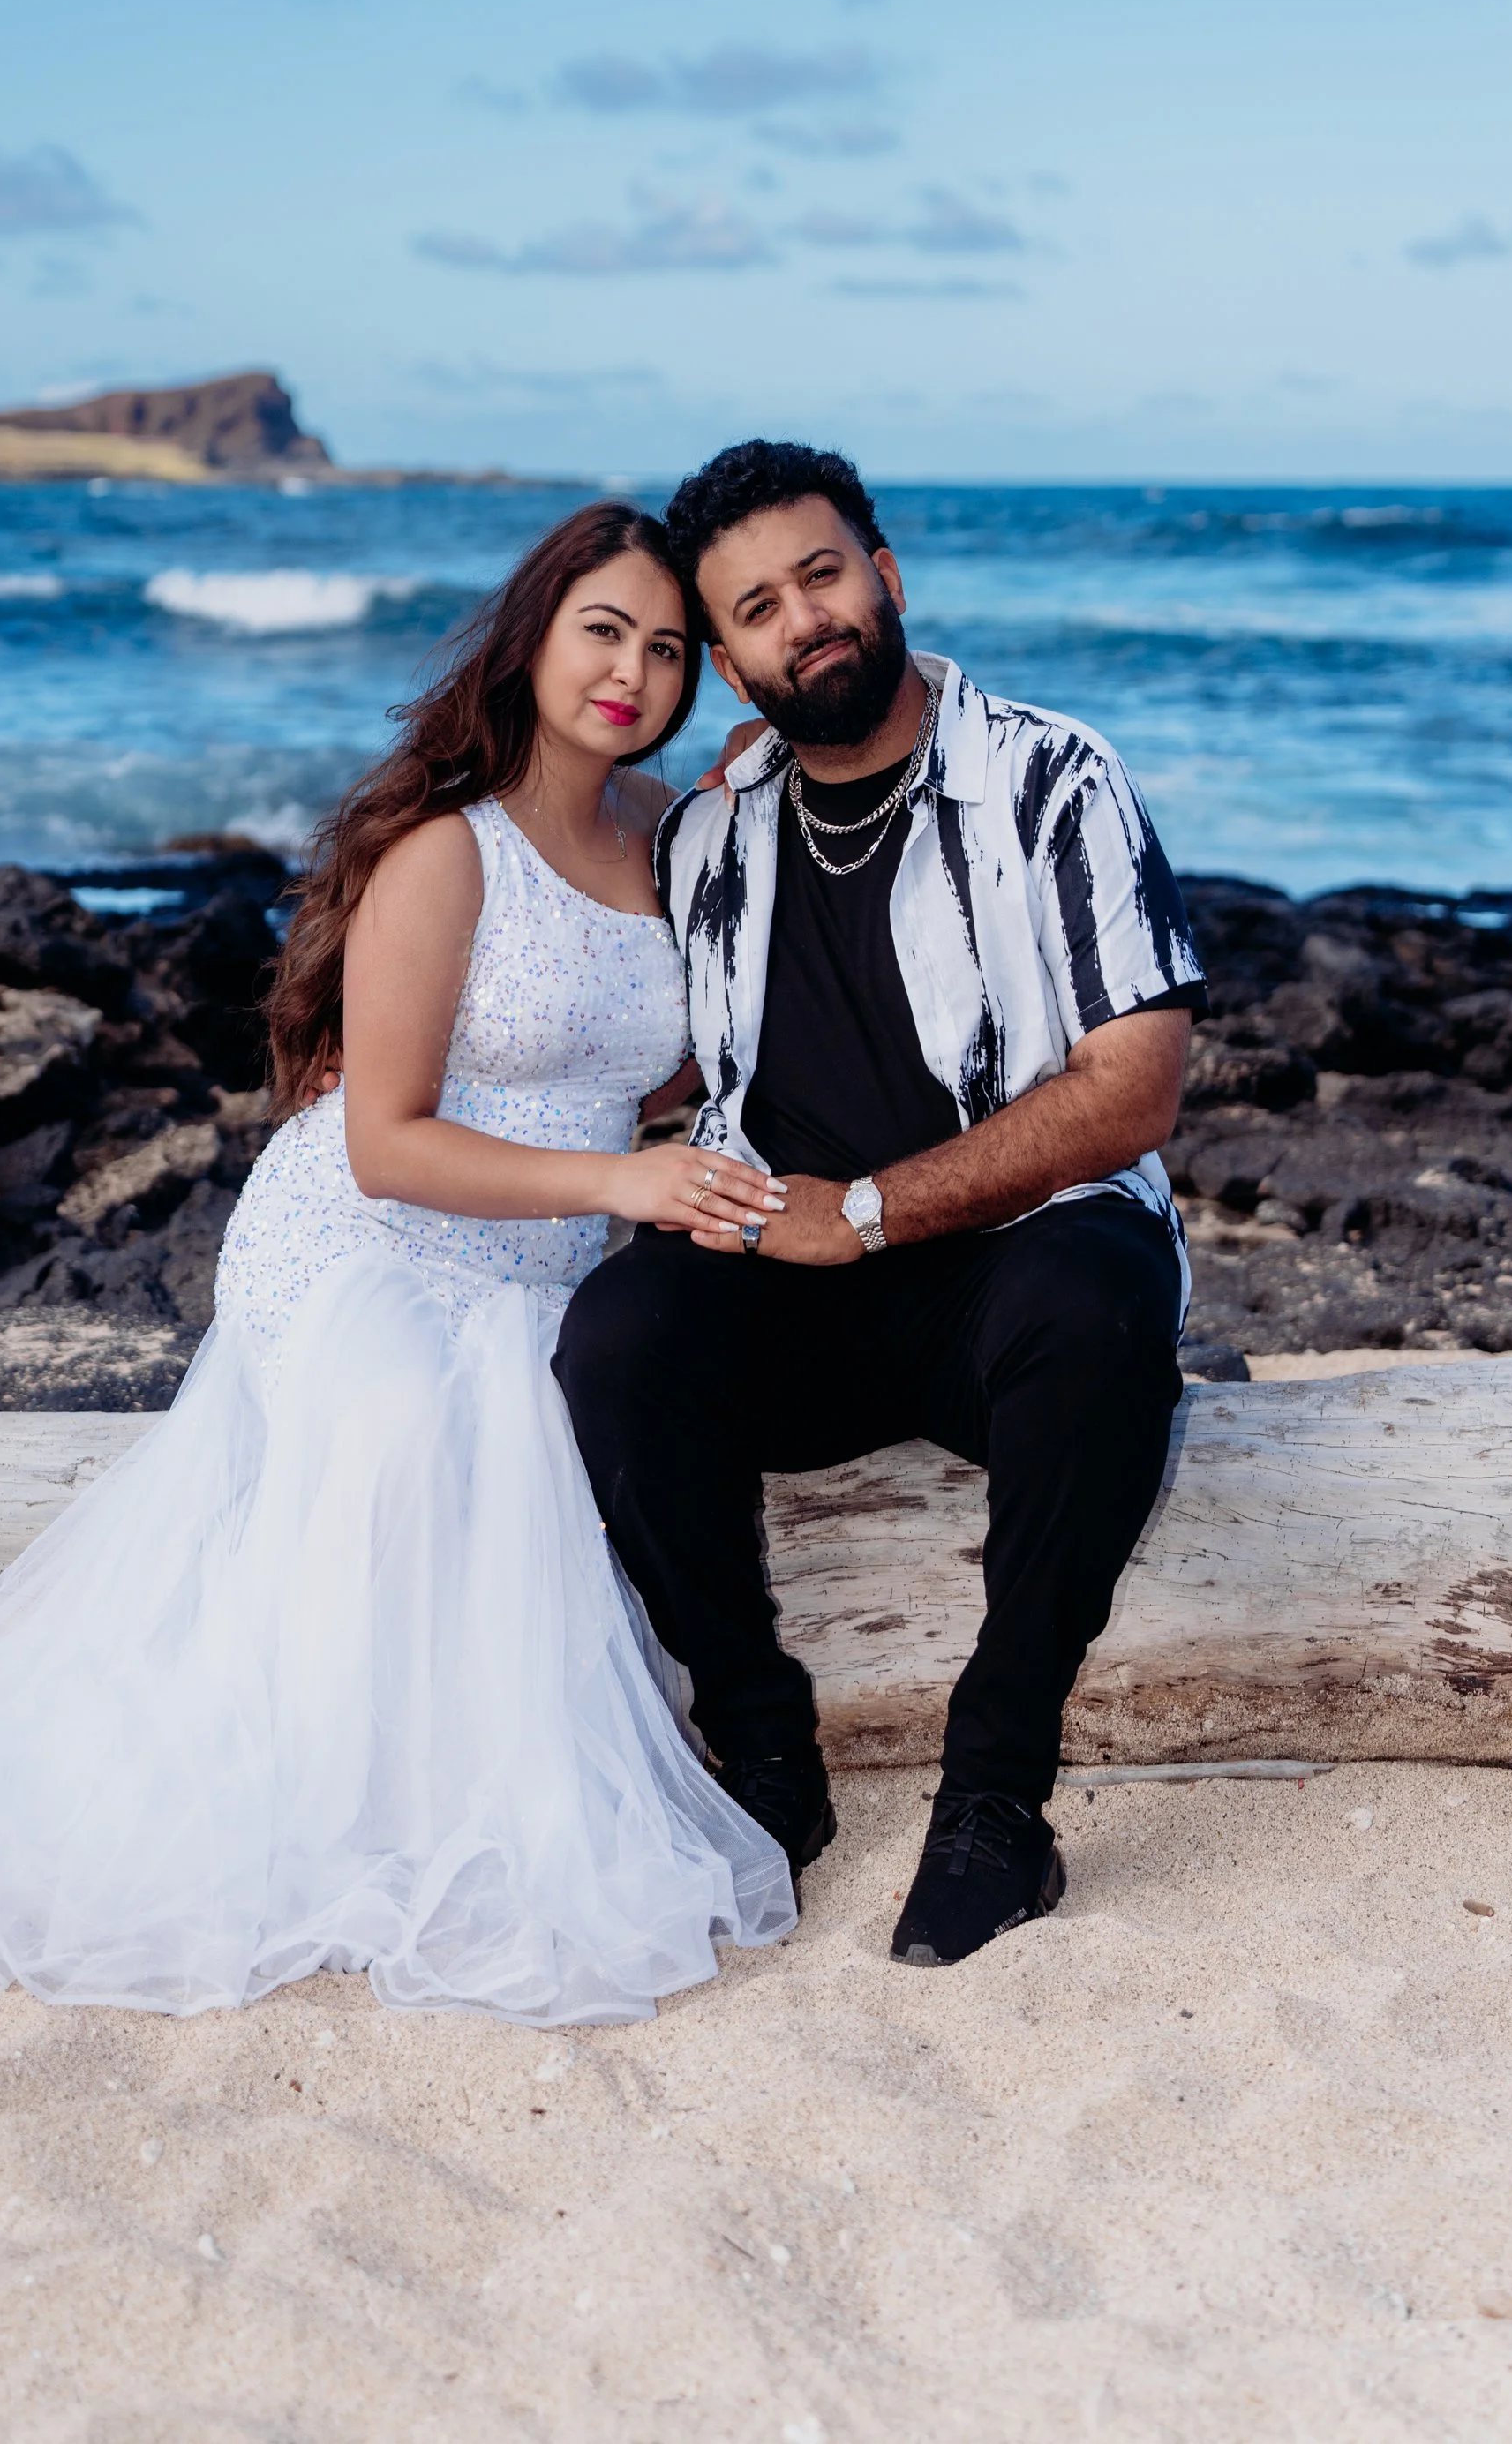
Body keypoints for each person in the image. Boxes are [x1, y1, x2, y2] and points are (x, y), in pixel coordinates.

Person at [0, 504, 796, 2028]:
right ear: (533, 638)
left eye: (668, 648)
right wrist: (624, 1180)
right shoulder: (444, 858)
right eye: (605, 630)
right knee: (423, 1443)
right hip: (373, 1235)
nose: (634, 671)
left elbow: (633, 1054)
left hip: (547, 1247)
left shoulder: (669, 837)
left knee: (558, 1440)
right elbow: (386, 1138)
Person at [553, 442, 1208, 1968]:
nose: (808, 622)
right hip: (791, 1291)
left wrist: (858, 1210)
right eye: (760, 608)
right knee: (618, 1338)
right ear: (727, 663)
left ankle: (996, 1804)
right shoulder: (708, 835)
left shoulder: (1054, 776)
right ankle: (768, 1758)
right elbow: (661, 1064)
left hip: (1015, 1272)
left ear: (887, 575)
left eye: (825, 575)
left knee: (1103, 1298)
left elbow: (1135, 1086)